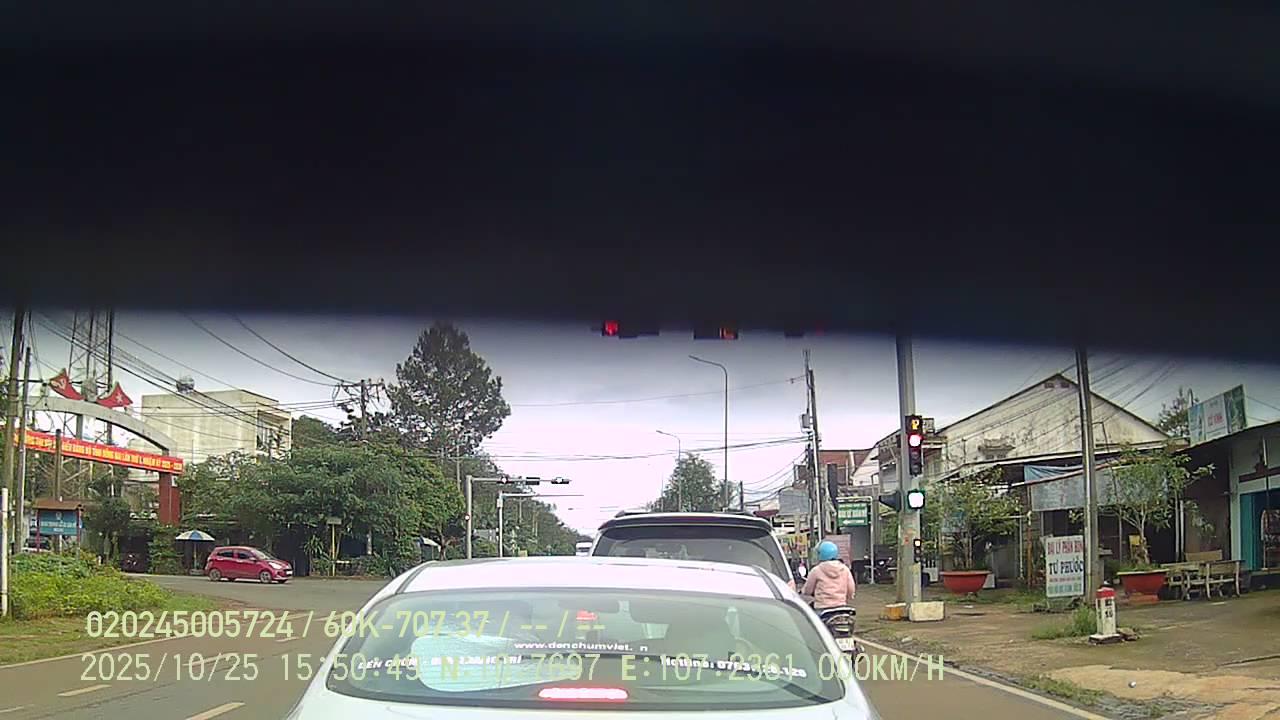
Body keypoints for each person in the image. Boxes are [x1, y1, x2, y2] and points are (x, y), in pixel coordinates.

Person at [802, 541, 856, 610]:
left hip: (822, 607)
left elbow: (808, 590)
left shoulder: (816, 570)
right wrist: (847, 597)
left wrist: (804, 591)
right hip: (841, 606)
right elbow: (851, 590)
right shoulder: (845, 569)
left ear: (820, 554)